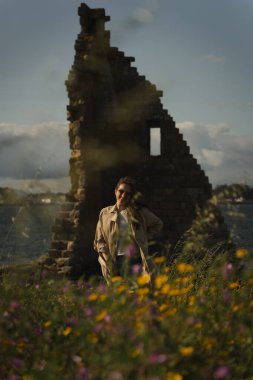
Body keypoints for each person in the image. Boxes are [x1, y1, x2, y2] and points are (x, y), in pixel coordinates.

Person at [94, 176, 163, 284]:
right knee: (118, 296)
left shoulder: (139, 212)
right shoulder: (105, 213)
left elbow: (158, 224)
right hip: (113, 261)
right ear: (115, 191)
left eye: (128, 193)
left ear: (131, 196)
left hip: (134, 261)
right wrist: (108, 261)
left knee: (135, 295)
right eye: (121, 191)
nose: (123, 195)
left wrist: (144, 237)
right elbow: (99, 240)